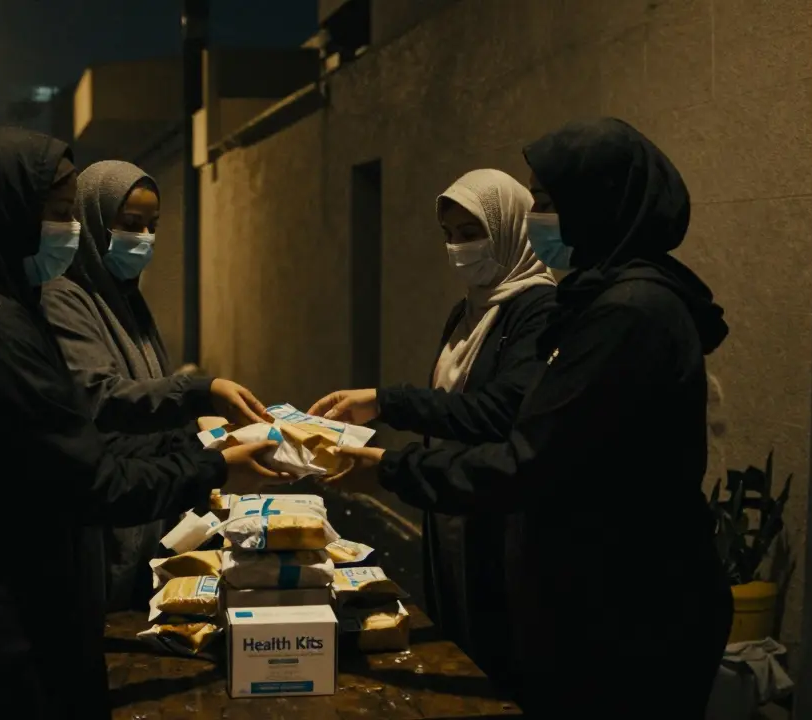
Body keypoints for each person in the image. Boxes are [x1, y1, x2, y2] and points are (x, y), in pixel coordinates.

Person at [329, 118, 733, 716]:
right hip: (603, 594)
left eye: (547, 202)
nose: (540, 215)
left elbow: (530, 453)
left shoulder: (626, 313)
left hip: (629, 610)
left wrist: (388, 468)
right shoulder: (605, 297)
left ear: (596, 204)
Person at [0, 126, 274, 720]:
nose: (66, 230)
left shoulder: (3, 308)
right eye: (58, 213)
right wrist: (213, 464)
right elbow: (87, 474)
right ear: (7, 211)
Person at [308, 168, 556, 686]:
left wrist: (385, 408)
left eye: (471, 234)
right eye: (449, 236)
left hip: (497, 509)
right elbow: (451, 403)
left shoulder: (537, 311)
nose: (458, 249)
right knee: (457, 632)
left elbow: (494, 412)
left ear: (512, 227)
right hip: (451, 503)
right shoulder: (470, 310)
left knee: (498, 653)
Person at [41, 159, 270, 612]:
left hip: (148, 507)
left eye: (152, 225)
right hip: (108, 509)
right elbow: (102, 397)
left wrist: (206, 439)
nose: (143, 238)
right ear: (91, 221)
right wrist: (198, 394)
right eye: (129, 224)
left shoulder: (126, 300)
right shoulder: (64, 299)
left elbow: (149, 398)